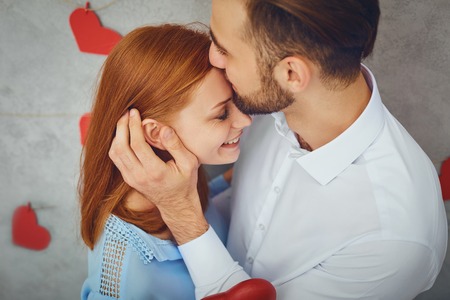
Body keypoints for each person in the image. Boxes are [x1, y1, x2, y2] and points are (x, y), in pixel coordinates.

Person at [109, 1, 448, 299]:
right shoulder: (262, 106)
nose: (213, 57)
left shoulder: (393, 242)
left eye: (226, 49)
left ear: (290, 73)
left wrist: (182, 215)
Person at [78, 23, 253, 300]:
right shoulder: (123, 272)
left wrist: (235, 179)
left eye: (237, 104)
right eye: (222, 114)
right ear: (156, 134)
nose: (245, 120)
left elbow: (205, 208)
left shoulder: (182, 181)